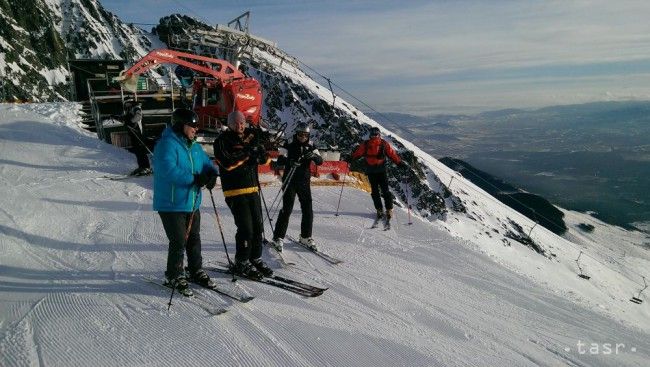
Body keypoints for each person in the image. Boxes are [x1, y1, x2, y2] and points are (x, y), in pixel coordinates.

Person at [153, 108, 218, 296]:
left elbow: (207, 164)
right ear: (181, 125)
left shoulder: (194, 147)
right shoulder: (166, 145)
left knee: (194, 238)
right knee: (179, 240)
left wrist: (212, 174)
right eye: (193, 125)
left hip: (192, 202)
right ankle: (173, 275)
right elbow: (168, 170)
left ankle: (195, 270)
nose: (196, 129)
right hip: (171, 203)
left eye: (197, 126)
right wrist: (194, 178)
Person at [212, 110, 273, 280]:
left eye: (242, 122)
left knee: (258, 227)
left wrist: (260, 153)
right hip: (235, 190)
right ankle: (241, 261)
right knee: (246, 227)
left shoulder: (251, 136)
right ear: (230, 124)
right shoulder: (222, 141)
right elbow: (227, 163)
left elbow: (265, 160)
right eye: (236, 123)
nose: (240, 126)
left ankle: (255, 258)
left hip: (252, 188)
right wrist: (247, 153)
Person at [271, 122, 323, 252]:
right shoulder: (289, 143)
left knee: (307, 209)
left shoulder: (311, 145)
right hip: (290, 179)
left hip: (304, 181)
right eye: (300, 134)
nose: (303, 137)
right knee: (287, 208)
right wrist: (290, 161)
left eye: (305, 135)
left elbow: (320, 161)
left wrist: (314, 156)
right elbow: (280, 160)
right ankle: (278, 237)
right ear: (296, 134)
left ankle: (305, 236)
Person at [350, 126, 402, 225]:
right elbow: (392, 154)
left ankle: (379, 210)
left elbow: (357, 154)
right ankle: (389, 209)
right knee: (385, 190)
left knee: (375, 192)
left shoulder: (365, 144)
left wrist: (351, 158)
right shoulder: (383, 144)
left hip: (370, 171)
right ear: (379, 134)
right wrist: (399, 163)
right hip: (381, 170)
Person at [123, 101, 153, 176]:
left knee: (140, 150)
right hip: (135, 134)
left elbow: (138, 117)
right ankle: (142, 166)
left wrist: (130, 122)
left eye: (127, 104)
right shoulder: (131, 110)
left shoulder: (136, 108)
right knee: (137, 151)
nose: (126, 106)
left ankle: (146, 167)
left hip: (139, 134)